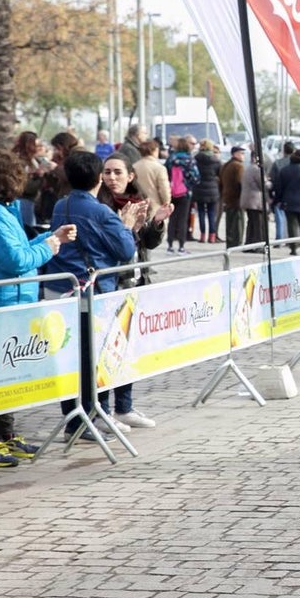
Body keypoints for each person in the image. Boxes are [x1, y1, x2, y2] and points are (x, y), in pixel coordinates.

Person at [0, 150, 75, 466]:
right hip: (2, 301)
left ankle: (6, 435)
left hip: (16, 301)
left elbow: (22, 249)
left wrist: (50, 237)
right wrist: (48, 248)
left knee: (10, 373)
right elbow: (14, 261)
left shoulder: (4, 211)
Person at [44, 152, 139, 443]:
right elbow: (125, 251)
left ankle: (74, 417)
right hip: (92, 291)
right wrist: (126, 226)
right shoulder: (100, 212)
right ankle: (87, 418)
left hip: (61, 289)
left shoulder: (62, 205)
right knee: (91, 358)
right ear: (99, 177)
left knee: (71, 356)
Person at [92, 153, 172, 426]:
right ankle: (101, 408)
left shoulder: (139, 202)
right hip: (109, 283)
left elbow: (147, 243)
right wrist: (123, 227)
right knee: (105, 348)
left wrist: (157, 223)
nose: (112, 178)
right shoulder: (98, 205)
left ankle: (124, 407)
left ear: (130, 176)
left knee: (129, 347)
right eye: (107, 172)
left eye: (117, 172)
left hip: (135, 281)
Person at [272, 148, 300, 254]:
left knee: (291, 225)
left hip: (288, 202)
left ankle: (293, 248)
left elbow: (278, 188)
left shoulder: (284, 170)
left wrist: (277, 201)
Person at [164, 136, 198, 254]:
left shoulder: (171, 158)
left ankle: (169, 245)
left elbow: (166, 173)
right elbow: (196, 177)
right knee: (183, 219)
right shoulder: (189, 159)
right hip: (185, 193)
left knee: (172, 218)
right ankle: (181, 246)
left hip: (172, 191)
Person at [192, 139, 222, 243]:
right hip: (213, 189)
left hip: (199, 188)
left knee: (200, 212)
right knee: (211, 213)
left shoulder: (196, 158)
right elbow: (219, 174)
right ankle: (212, 236)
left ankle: (202, 236)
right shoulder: (216, 160)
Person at [219, 145, 247, 248]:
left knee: (229, 222)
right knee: (238, 222)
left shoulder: (226, 165)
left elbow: (220, 181)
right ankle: (236, 242)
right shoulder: (238, 166)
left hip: (227, 197)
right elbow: (240, 183)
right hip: (236, 198)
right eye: (241, 153)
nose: (243, 156)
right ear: (235, 154)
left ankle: (230, 242)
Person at [241, 148, 269, 246]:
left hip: (248, 201)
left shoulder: (248, 168)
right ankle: (258, 245)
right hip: (256, 201)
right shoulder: (257, 169)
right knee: (258, 225)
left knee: (251, 224)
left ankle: (249, 244)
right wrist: (271, 184)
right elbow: (263, 184)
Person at [270, 141, 295, 243]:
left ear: (284, 150)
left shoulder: (277, 163)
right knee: (292, 220)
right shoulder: (297, 164)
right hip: (293, 195)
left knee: (279, 218)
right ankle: (291, 240)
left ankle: (279, 239)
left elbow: (273, 179)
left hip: (280, 194)